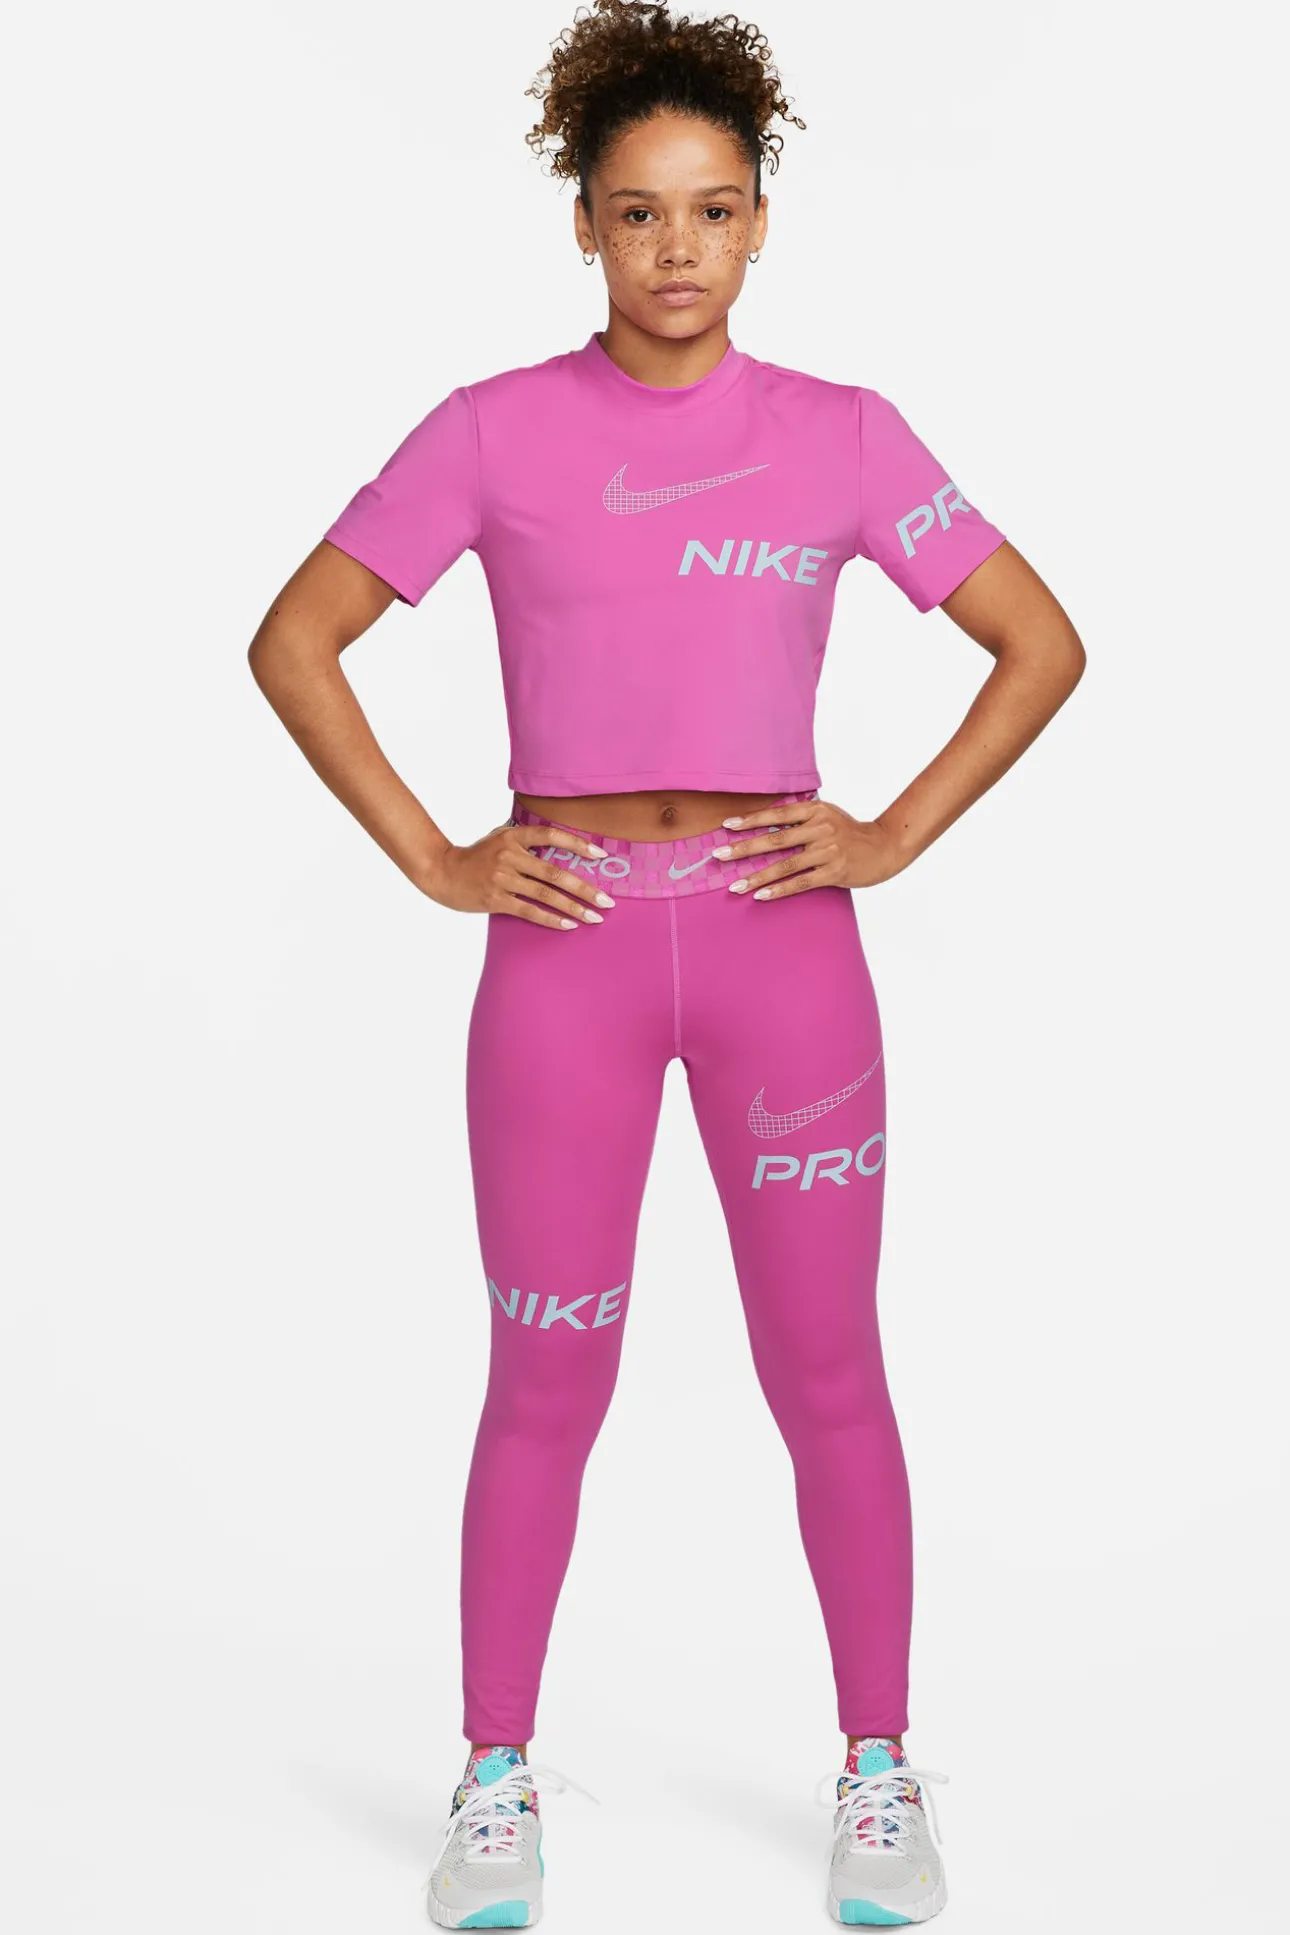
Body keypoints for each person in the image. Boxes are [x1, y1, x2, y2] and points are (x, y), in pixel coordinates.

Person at [248, 2, 1085, 1924]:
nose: (677, 247)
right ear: (583, 223)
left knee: (828, 1368)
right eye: (637, 211)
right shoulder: (491, 430)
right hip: (568, 951)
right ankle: (493, 1775)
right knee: (545, 1377)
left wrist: (888, 831)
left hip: (787, 944)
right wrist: (441, 858)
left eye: (712, 208)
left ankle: (877, 1766)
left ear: (761, 218)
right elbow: (296, 638)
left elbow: (1038, 641)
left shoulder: (843, 434)